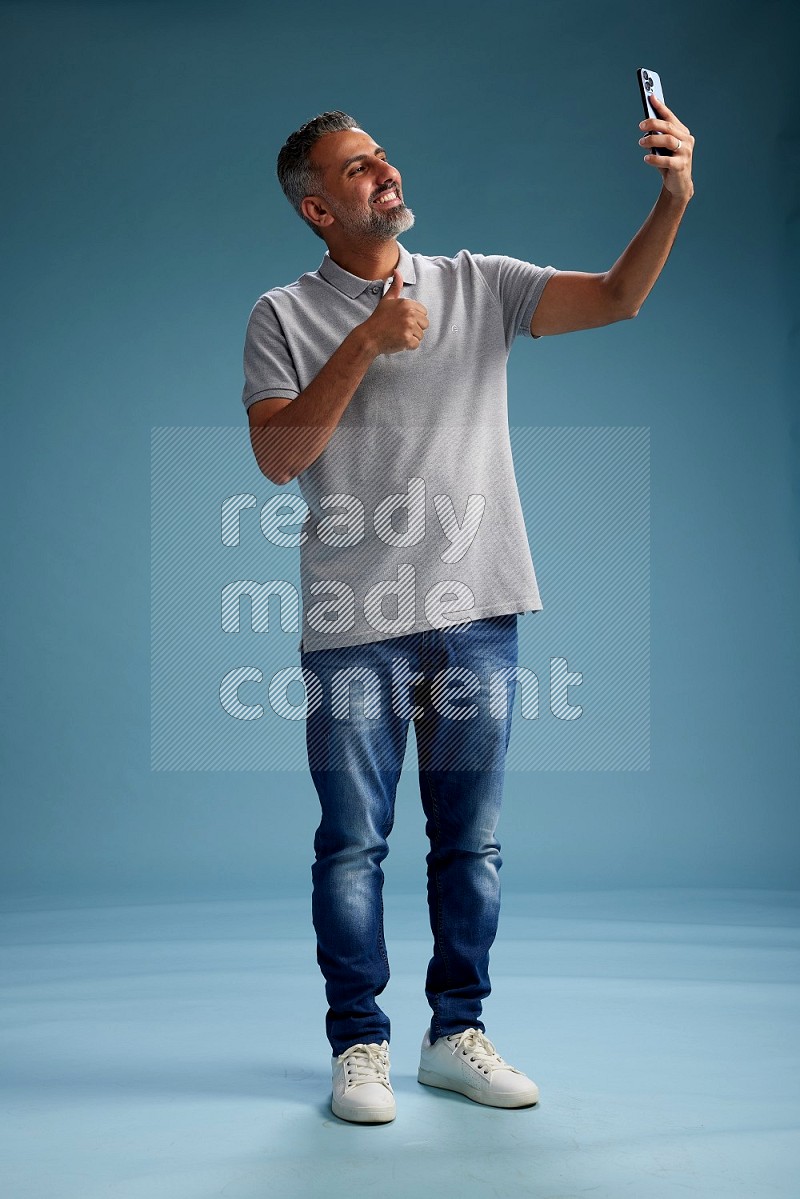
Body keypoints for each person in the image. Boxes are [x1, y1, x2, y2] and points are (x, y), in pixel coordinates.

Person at [241, 105, 694, 1124]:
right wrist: (366, 337)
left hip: (478, 608)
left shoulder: (477, 283)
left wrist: (671, 197)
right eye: (356, 168)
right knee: (352, 844)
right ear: (318, 207)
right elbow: (278, 460)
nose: (383, 170)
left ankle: (455, 1035)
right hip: (353, 621)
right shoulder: (281, 312)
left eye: (382, 153)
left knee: (471, 843)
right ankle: (358, 1043)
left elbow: (619, 298)